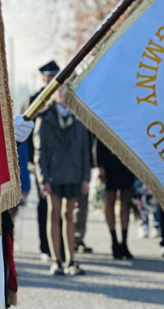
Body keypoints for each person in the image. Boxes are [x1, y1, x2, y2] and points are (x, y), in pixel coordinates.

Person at [36, 82, 90, 275]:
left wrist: (86, 178)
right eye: (60, 91)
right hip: (54, 175)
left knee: (70, 216)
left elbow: (86, 151)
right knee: (54, 214)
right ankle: (56, 260)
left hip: (74, 174)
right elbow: (39, 152)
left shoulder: (79, 117)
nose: (63, 95)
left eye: (67, 91)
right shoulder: (46, 118)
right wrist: (44, 181)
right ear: (53, 94)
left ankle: (71, 260)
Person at [25, 60, 60, 261]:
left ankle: (60, 246)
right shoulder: (33, 100)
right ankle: (45, 247)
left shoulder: (63, 98)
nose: (51, 79)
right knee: (45, 204)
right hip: (40, 162)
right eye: (48, 76)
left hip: (61, 163)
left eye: (55, 75)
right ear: (43, 78)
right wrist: (30, 161)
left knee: (61, 206)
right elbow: (25, 133)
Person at [95, 139, 135, 259]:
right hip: (108, 158)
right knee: (110, 201)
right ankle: (114, 242)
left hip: (127, 158)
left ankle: (124, 243)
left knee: (125, 202)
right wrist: (99, 164)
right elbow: (99, 136)